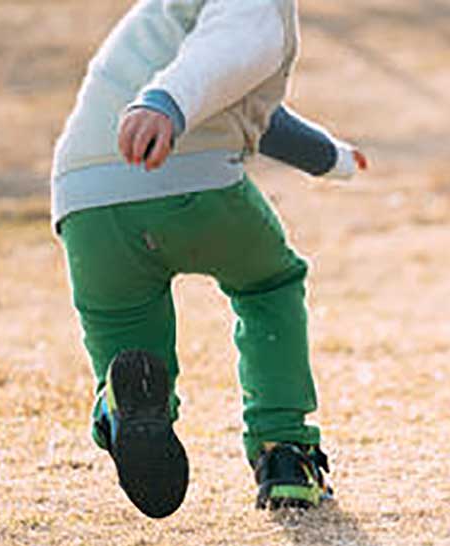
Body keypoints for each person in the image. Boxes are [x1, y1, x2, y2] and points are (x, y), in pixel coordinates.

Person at [51, 0, 365, 518]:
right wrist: (165, 104)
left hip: (87, 197)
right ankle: (285, 452)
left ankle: (119, 405)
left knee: (125, 329)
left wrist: (331, 158)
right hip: (189, 177)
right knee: (269, 283)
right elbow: (226, 52)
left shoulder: (165, 13)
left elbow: (247, 103)